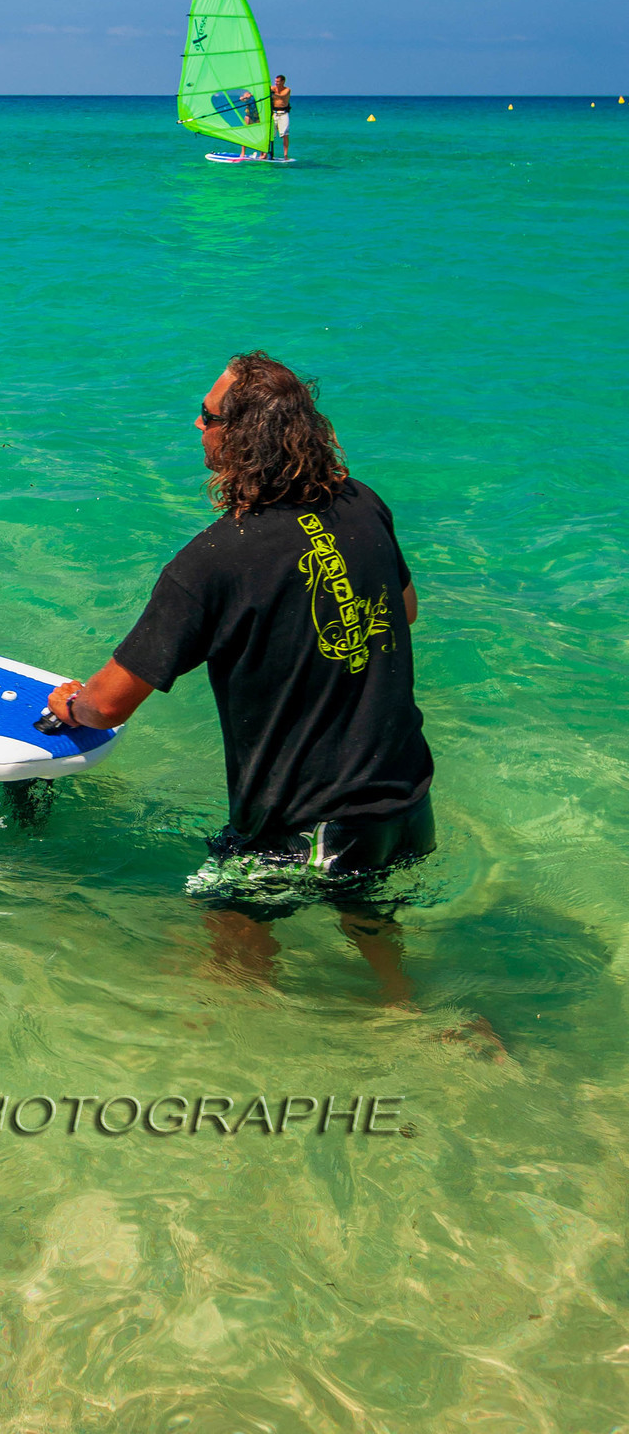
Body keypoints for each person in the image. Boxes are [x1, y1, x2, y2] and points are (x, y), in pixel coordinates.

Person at [48, 354, 434, 1001]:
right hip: (405, 809)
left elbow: (111, 703)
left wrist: (71, 703)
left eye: (207, 414)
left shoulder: (213, 561)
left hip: (309, 835)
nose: (196, 422)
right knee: (381, 951)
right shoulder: (363, 504)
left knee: (229, 965)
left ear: (239, 437)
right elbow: (407, 608)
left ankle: (234, 1083)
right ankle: (432, 1025)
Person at [271, 74, 292, 161]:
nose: (276, 83)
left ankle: (285, 155)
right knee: (270, 134)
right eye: (275, 81)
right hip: (274, 113)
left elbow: (281, 96)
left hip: (283, 114)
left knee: (285, 134)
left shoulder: (287, 90)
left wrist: (270, 93)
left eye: (278, 82)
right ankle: (266, 153)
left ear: (283, 82)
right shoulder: (272, 88)